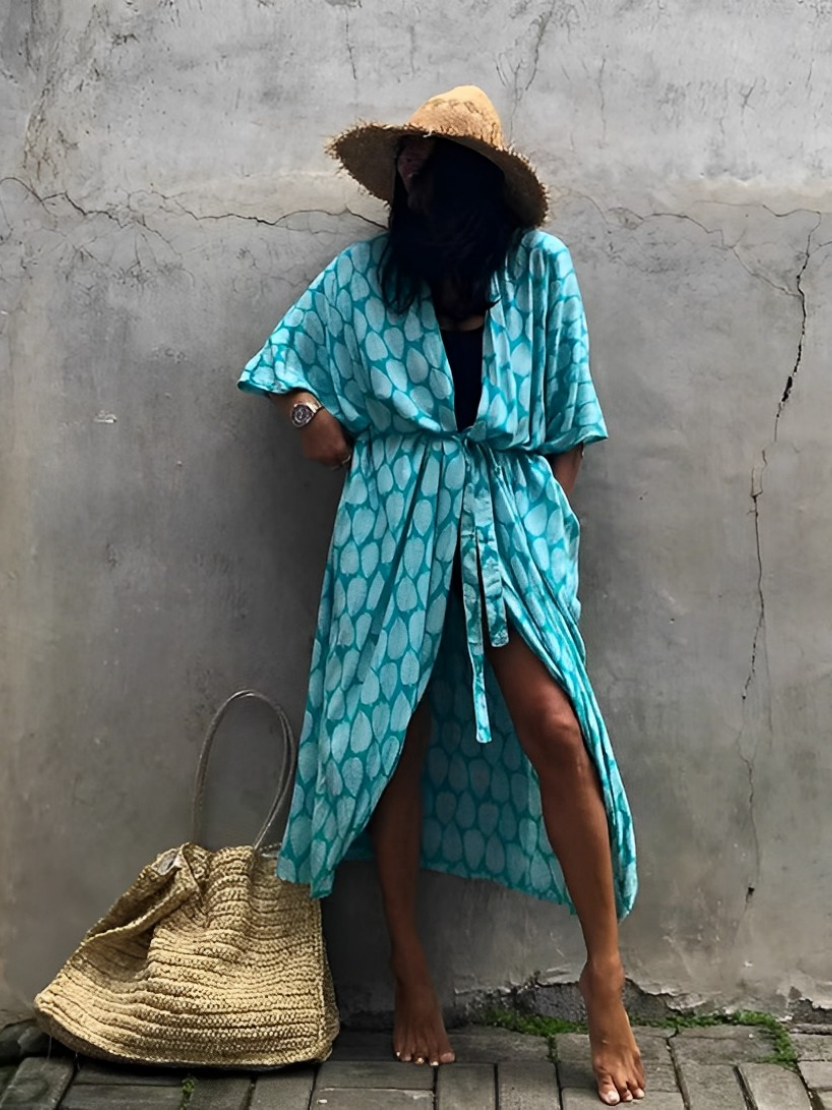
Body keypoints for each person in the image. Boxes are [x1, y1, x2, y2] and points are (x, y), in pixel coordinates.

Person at [238, 86, 643, 1106]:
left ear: (475, 180)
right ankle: (413, 975)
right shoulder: (368, 278)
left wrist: (546, 538)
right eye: (405, 161)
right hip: (392, 516)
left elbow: (571, 422)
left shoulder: (541, 271)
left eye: (429, 162)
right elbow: (286, 361)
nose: (411, 178)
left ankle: (604, 977)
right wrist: (305, 415)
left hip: (510, 517)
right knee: (392, 739)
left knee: (556, 727)